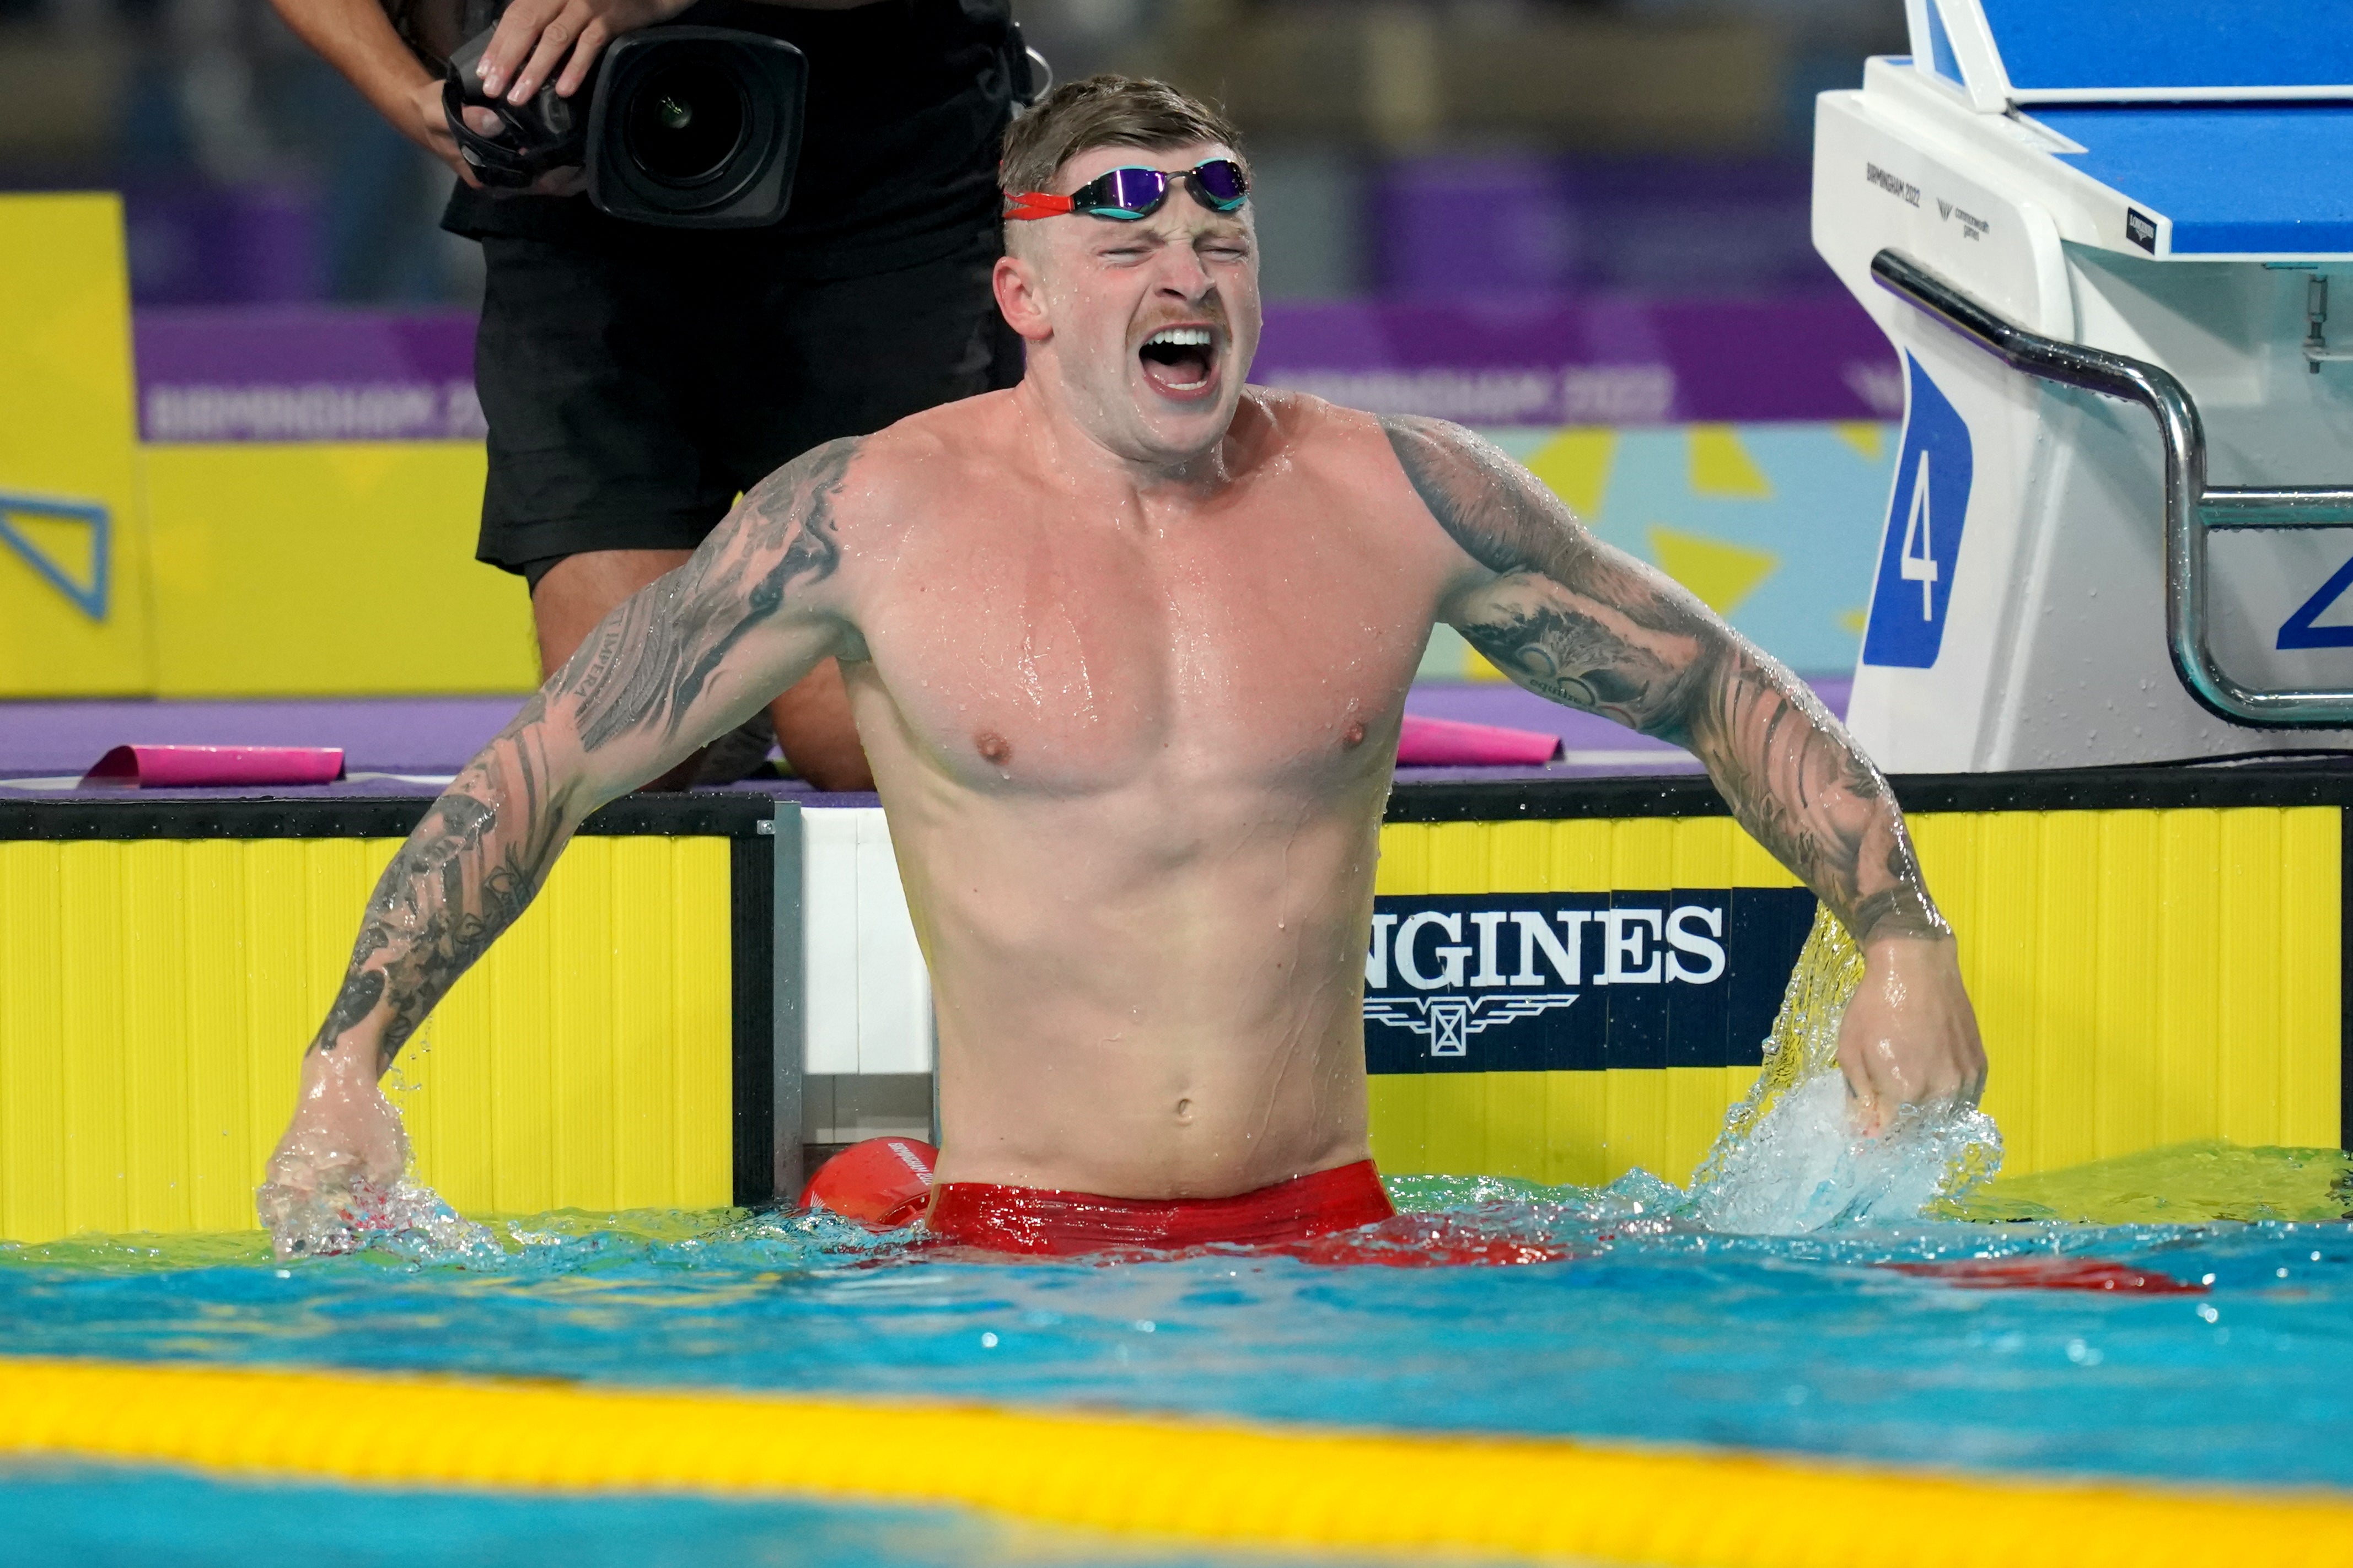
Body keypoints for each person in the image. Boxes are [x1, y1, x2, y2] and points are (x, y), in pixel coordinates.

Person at [260, 74, 1987, 1257]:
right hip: (1012, 1258)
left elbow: (1713, 683)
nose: (1187, 276)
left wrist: (1901, 927)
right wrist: (350, 1063)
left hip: (1333, 1236)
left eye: (1219, 244)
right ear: (1020, 291)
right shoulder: (866, 516)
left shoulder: (1399, 494)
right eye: (1128, 242)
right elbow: (542, 768)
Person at [266, 0, 1032, 789]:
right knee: (621, 753)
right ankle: (740, 676)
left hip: (883, 192)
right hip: (575, 189)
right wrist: (407, 95)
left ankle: (776, 662)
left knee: (865, 749)